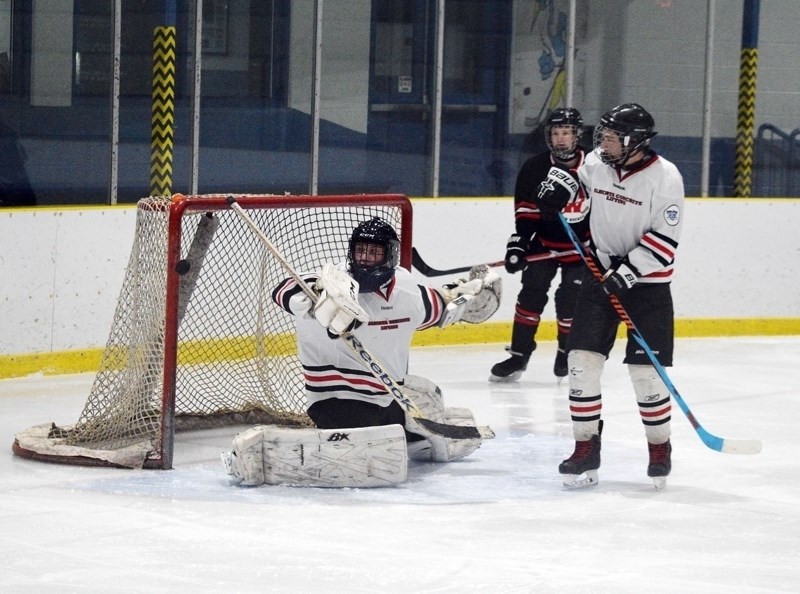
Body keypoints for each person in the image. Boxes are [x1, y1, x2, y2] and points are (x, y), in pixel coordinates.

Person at [224, 217, 502, 487]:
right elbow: (285, 290)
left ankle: (414, 431)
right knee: (375, 452)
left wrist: (469, 296)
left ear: (390, 255)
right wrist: (321, 299)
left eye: (373, 252)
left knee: (414, 430)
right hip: (338, 401)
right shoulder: (335, 288)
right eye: (360, 251)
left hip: (391, 400)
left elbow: (440, 306)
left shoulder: (407, 290)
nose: (365, 258)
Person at [537, 103, 685, 489]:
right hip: (599, 276)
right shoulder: (599, 164)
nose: (601, 141)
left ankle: (658, 448)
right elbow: (575, 176)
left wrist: (628, 272)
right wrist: (557, 189)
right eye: (601, 134)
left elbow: (665, 241)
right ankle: (586, 448)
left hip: (648, 287)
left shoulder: (665, 177)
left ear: (634, 141)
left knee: (646, 375)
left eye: (610, 136)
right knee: (581, 362)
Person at [490, 107, 590, 382]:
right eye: (556, 133)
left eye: (566, 133)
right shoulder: (534, 168)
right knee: (530, 298)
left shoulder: (595, 167)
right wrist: (518, 246)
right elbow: (525, 214)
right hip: (545, 244)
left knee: (570, 299)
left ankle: (565, 352)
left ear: (576, 135)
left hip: (582, 249)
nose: (561, 139)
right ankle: (519, 356)